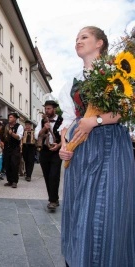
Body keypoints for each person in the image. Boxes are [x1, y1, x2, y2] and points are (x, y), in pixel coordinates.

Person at [58, 26, 135, 267]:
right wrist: (64, 146)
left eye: (84, 37)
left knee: (106, 206)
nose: (78, 41)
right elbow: (68, 122)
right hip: (80, 150)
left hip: (111, 145)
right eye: (76, 38)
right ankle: (78, 259)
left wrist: (97, 120)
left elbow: (127, 109)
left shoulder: (120, 73)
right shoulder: (73, 83)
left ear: (99, 43)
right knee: (79, 206)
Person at [34, 100, 62, 210]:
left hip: (56, 151)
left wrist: (59, 145)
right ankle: (54, 198)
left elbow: (67, 135)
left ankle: (53, 201)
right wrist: (44, 128)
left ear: (54, 109)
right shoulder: (42, 121)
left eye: (49, 108)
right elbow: (36, 135)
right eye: (46, 108)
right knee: (47, 176)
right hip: (45, 151)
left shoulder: (62, 120)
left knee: (54, 175)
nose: (47, 110)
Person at [0, 112, 24, 188]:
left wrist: (12, 134)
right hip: (7, 148)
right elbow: (2, 136)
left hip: (15, 148)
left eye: (11, 117)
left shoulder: (19, 126)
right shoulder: (6, 126)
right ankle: (9, 181)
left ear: (15, 118)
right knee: (7, 164)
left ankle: (14, 181)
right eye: (9, 117)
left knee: (14, 164)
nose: (9, 118)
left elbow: (19, 137)